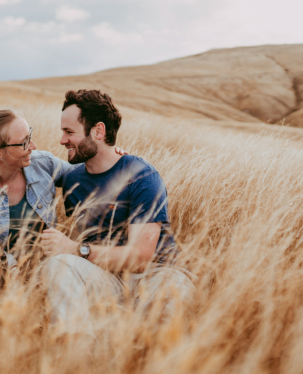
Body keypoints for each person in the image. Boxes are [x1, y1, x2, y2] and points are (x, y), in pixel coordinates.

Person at [40, 89, 197, 339]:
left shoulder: (142, 176)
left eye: (69, 132)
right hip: (106, 276)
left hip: (158, 273)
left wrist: (75, 249)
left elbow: (140, 259)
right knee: (58, 265)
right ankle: (79, 358)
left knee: (165, 310)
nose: (61, 140)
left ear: (98, 131)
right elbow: (26, 166)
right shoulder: (72, 180)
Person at [0, 109, 126, 299]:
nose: (33, 145)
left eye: (29, 136)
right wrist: (9, 266)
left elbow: (86, 175)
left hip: (41, 271)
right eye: (24, 142)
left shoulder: (43, 164)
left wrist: (109, 158)